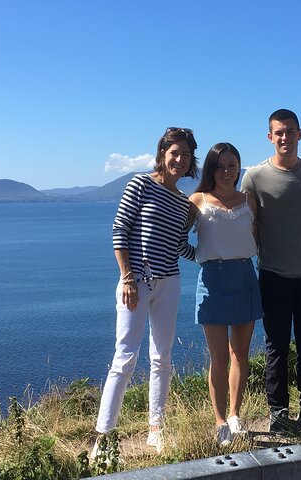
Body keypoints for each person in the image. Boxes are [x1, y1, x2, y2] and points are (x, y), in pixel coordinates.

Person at [92, 127, 199, 457]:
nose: (179, 160)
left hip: (169, 284)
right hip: (135, 283)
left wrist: (214, 255)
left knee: (162, 358)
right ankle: (103, 439)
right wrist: (126, 277)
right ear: (162, 154)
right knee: (124, 359)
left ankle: (156, 429)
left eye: (185, 154)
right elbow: (120, 230)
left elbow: (179, 246)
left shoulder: (183, 203)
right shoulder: (140, 184)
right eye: (174, 153)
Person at [241, 109, 301, 434]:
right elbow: (249, 225)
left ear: (299, 134)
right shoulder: (254, 176)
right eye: (279, 132)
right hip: (273, 275)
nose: (285, 137)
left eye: (290, 131)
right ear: (270, 136)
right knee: (276, 347)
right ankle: (278, 412)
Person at [189, 143, 262, 447]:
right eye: (220, 166)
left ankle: (234, 415)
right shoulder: (198, 200)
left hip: (244, 276)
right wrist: (199, 256)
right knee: (218, 357)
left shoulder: (249, 200)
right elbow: (176, 238)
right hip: (213, 280)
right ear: (210, 169)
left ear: (239, 167)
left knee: (240, 354)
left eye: (232, 165)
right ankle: (219, 421)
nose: (227, 171)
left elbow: (257, 239)